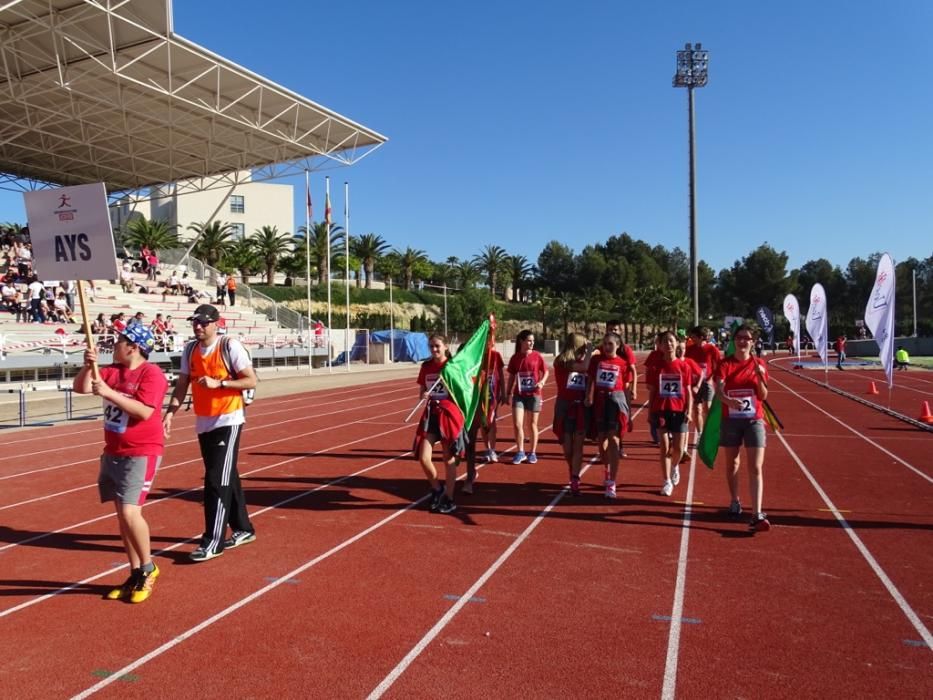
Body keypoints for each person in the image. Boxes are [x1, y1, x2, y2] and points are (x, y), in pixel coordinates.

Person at [73, 324, 166, 602]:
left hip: (142, 451)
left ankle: (149, 569)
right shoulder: (113, 370)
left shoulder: (152, 374)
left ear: (133, 346)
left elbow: (145, 412)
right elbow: (81, 387)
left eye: (120, 340)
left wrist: (110, 393)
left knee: (130, 513)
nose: (115, 344)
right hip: (114, 450)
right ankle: (135, 572)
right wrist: (89, 366)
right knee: (122, 519)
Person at [162, 304, 258, 561]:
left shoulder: (229, 346)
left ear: (216, 323)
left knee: (216, 480)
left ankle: (213, 541)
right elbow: (182, 384)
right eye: (195, 322)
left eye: (203, 323)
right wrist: (170, 412)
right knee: (227, 475)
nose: (198, 326)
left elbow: (251, 380)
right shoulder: (191, 349)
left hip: (229, 418)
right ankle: (243, 528)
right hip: (204, 421)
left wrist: (221, 383)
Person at [714, 325, 771, 532]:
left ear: (752, 342)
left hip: (754, 419)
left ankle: (756, 513)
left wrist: (760, 377)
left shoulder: (760, 364)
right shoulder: (724, 364)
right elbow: (719, 391)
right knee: (732, 463)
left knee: (755, 466)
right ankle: (735, 500)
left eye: (746, 338)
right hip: (731, 419)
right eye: (739, 338)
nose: (742, 341)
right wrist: (728, 400)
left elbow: (764, 396)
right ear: (733, 341)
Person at [414, 334, 463, 513]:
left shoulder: (452, 367)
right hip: (431, 415)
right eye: (431, 346)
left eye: (437, 346)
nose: (434, 350)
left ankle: (449, 498)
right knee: (423, 456)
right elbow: (422, 393)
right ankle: (437, 488)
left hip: (448, 416)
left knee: (448, 458)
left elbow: (462, 392)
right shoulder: (426, 367)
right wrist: (425, 395)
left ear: (445, 347)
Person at [646, 331, 693, 497]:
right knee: (664, 447)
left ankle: (674, 466)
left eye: (671, 341)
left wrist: (689, 409)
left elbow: (688, 390)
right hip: (661, 410)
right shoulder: (655, 366)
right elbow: (652, 392)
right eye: (665, 341)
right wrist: (650, 411)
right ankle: (666, 481)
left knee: (679, 449)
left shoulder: (684, 366)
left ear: (677, 344)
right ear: (660, 345)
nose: (669, 344)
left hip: (679, 410)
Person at [585, 332, 632, 499]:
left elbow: (625, 387)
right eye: (605, 344)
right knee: (601, 441)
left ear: (617, 346)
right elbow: (590, 379)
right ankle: (607, 468)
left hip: (616, 401)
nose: (606, 347)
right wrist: (589, 395)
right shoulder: (596, 361)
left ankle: (612, 481)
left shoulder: (623, 363)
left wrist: (628, 411)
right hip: (600, 401)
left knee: (614, 440)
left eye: (610, 344)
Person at [552, 333, 591, 496]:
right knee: (567, 447)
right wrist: (590, 352)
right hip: (565, 406)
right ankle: (572, 468)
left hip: (580, 406)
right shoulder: (562, 361)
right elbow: (583, 368)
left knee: (578, 446)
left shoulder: (584, 361)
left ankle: (575, 478)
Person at [506, 329, 549, 464]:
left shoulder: (537, 356)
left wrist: (542, 381)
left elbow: (546, 371)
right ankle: (520, 452)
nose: (531, 343)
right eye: (529, 340)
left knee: (532, 424)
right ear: (522, 341)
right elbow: (512, 376)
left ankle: (533, 452)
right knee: (518, 424)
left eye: (533, 341)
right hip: (519, 395)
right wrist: (508, 393)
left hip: (534, 394)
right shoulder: (515, 358)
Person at [684, 326, 722, 434]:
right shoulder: (690, 349)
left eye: (694, 336)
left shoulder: (712, 349)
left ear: (701, 337)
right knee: (697, 409)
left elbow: (719, 365)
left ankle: (709, 431)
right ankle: (700, 434)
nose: (692, 338)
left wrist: (712, 377)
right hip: (694, 383)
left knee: (708, 408)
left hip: (707, 382)